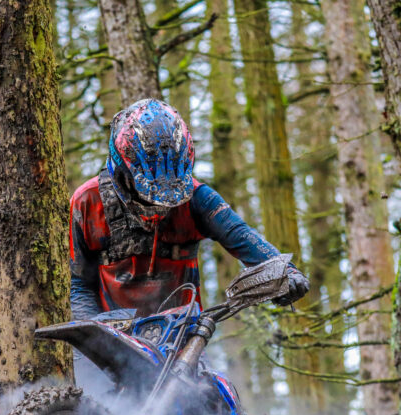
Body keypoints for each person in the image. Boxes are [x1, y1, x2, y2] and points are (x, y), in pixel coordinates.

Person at [69, 99, 309, 320]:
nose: (160, 207)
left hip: (182, 332)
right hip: (112, 334)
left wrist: (286, 273)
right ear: (123, 173)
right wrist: (94, 335)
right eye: (150, 195)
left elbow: (241, 235)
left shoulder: (197, 198)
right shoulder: (87, 202)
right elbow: (76, 283)